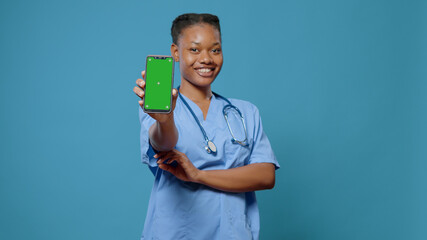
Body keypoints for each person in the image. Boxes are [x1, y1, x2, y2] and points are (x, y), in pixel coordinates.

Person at [133, 13, 279, 240]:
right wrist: (165, 119)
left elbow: (266, 175)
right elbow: (163, 143)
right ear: (175, 53)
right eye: (194, 49)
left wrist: (198, 175)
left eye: (215, 50)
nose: (207, 58)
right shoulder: (160, 108)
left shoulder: (245, 112)